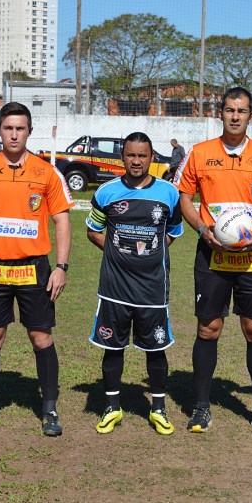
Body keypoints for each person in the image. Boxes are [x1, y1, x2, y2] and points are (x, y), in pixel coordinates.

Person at [175, 86, 252, 434]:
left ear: (251, 115)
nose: (235, 116)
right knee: (208, 328)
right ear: (220, 113)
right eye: (229, 110)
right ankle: (201, 407)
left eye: (241, 111)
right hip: (212, 253)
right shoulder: (199, 153)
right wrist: (201, 227)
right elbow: (185, 197)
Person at [0, 102, 74, 437]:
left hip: (34, 269)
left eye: (20, 128)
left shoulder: (46, 172)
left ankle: (49, 410)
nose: (14, 134)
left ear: (29, 131)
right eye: (8, 128)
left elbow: (62, 220)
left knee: (41, 337)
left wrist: (62, 267)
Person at [86, 132, 183, 435]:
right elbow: (93, 230)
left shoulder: (169, 193)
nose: (137, 161)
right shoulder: (106, 192)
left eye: (142, 155)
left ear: (152, 157)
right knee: (112, 347)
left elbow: (173, 231)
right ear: (122, 157)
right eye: (131, 155)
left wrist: (151, 254)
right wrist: (119, 252)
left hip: (153, 288)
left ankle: (158, 409)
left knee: (155, 348)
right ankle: (112, 407)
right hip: (115, 287)